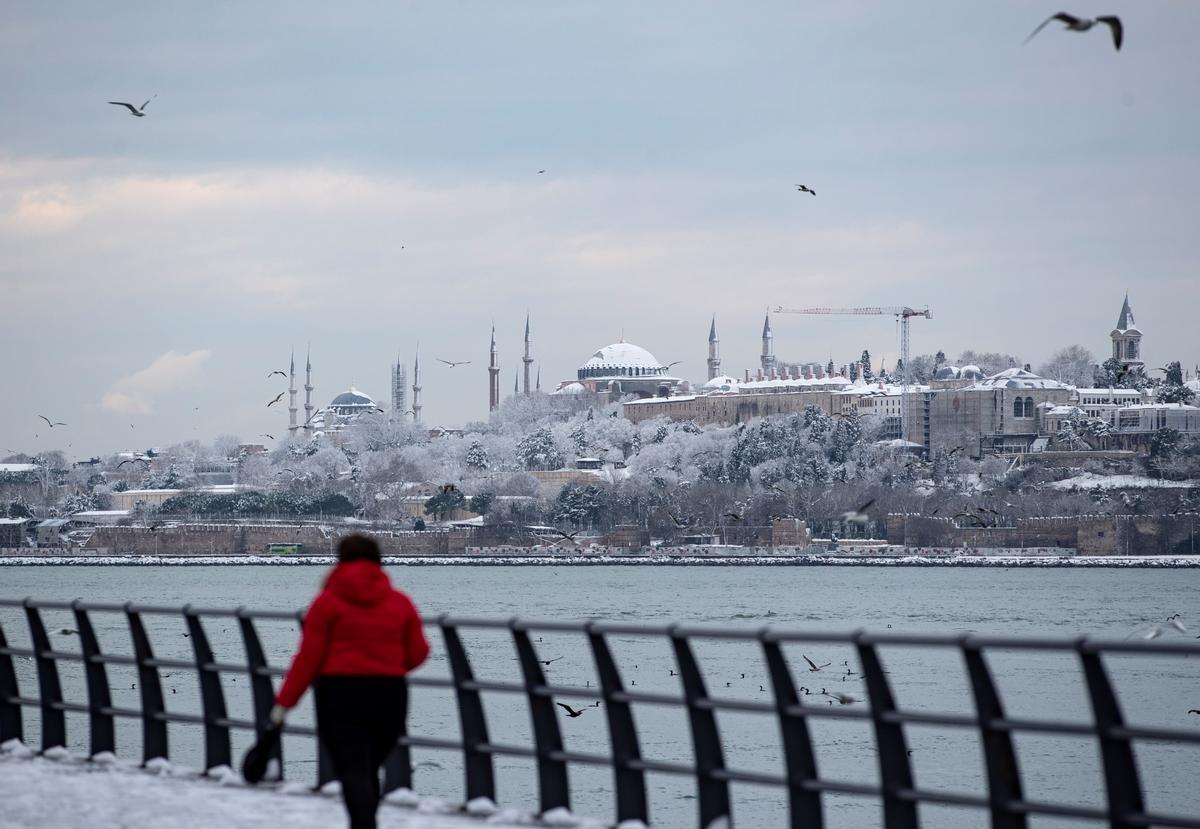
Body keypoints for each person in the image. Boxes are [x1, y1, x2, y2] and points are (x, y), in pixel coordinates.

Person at [272, 534, 430, 829]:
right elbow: (420, 652)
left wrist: (283, 705)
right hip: (389, 695)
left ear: (340, 561)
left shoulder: (326, 603)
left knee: (353, 770)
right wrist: (391, 666)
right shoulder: (400, 602)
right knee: (369, 768)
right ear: (378, 561)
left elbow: (308, 660)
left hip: (339, 694)